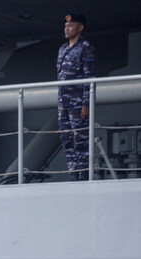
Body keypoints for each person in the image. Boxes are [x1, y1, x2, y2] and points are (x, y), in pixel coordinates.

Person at [57, 14, 95, 180]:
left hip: (78, 102)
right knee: (66, 138)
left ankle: (84, 174)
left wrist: (86, 102)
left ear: (80, 28)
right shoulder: (63, 49)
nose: (67, 28)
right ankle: (74, 173)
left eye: (71, 26)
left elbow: (89, 78)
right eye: (66, 26)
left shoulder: (85, 48)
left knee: (81, 139)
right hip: (63, 102)